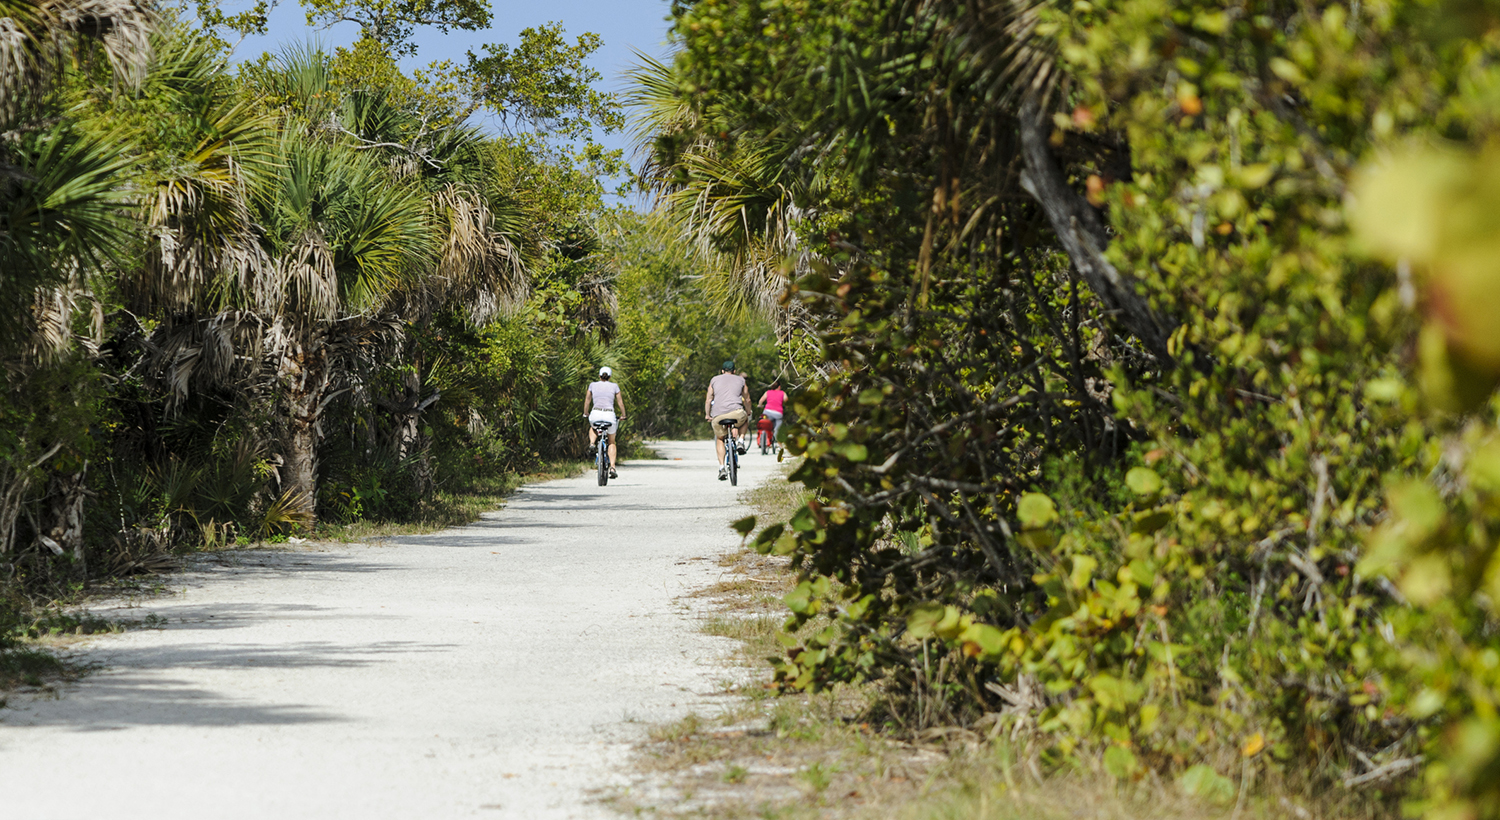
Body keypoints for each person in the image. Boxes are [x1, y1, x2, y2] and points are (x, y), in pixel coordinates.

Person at [704, 359, 751, 480]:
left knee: (720, 438)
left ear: (722, 371)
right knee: (745, 418)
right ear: (734, 371)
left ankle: (721, 468)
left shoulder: (714, 379)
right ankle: (740, 441)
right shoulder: (741, 380)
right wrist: (748, 411)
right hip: (736, 413)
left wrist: (708, 415)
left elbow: (709, 399)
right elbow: (747, 399)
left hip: (718, 416)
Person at [584, 366, 626, 479]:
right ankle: (612, 467)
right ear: (610, 376)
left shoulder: (592, 385)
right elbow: (620, 403)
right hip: (609, 415)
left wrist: (586, 413)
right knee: (611, 442)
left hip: (596, 413)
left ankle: (592, 443)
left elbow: (587, 401)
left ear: (599, 375)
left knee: (593, 427)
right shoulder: (614, 386)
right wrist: (623, 415)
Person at [758, 379, 788, 451]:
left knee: (765, 424)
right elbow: (786, 400)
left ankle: (765, 438)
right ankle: (779, 444)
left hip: (767, 412)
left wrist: (760, 405)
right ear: (779, 387)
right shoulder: (782, 393)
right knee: (777, 429)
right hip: (778, 413)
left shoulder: (767, 392)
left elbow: (761, 401)